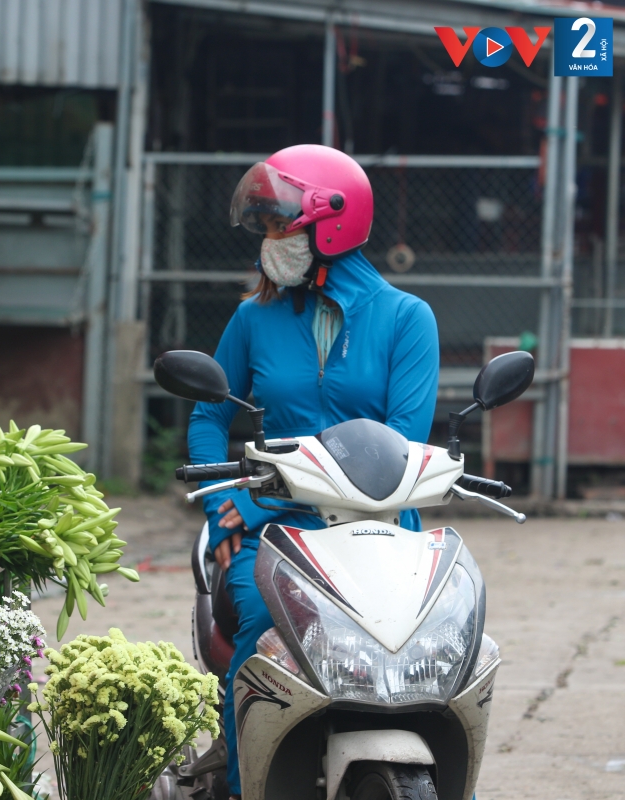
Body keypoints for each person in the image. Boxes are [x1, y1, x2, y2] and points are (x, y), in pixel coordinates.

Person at [186, 145, 440, 799]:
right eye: (267, 228)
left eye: (279, 226)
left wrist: (260, 503)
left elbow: (401, 448)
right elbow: (208, 417)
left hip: (384, 530)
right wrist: (226, 511)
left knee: (442, 644)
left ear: (330, 223)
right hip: (275, 535)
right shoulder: (254, 318)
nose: (270, 242)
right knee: (257, 626)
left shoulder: (408, 321)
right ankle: (249, 783)